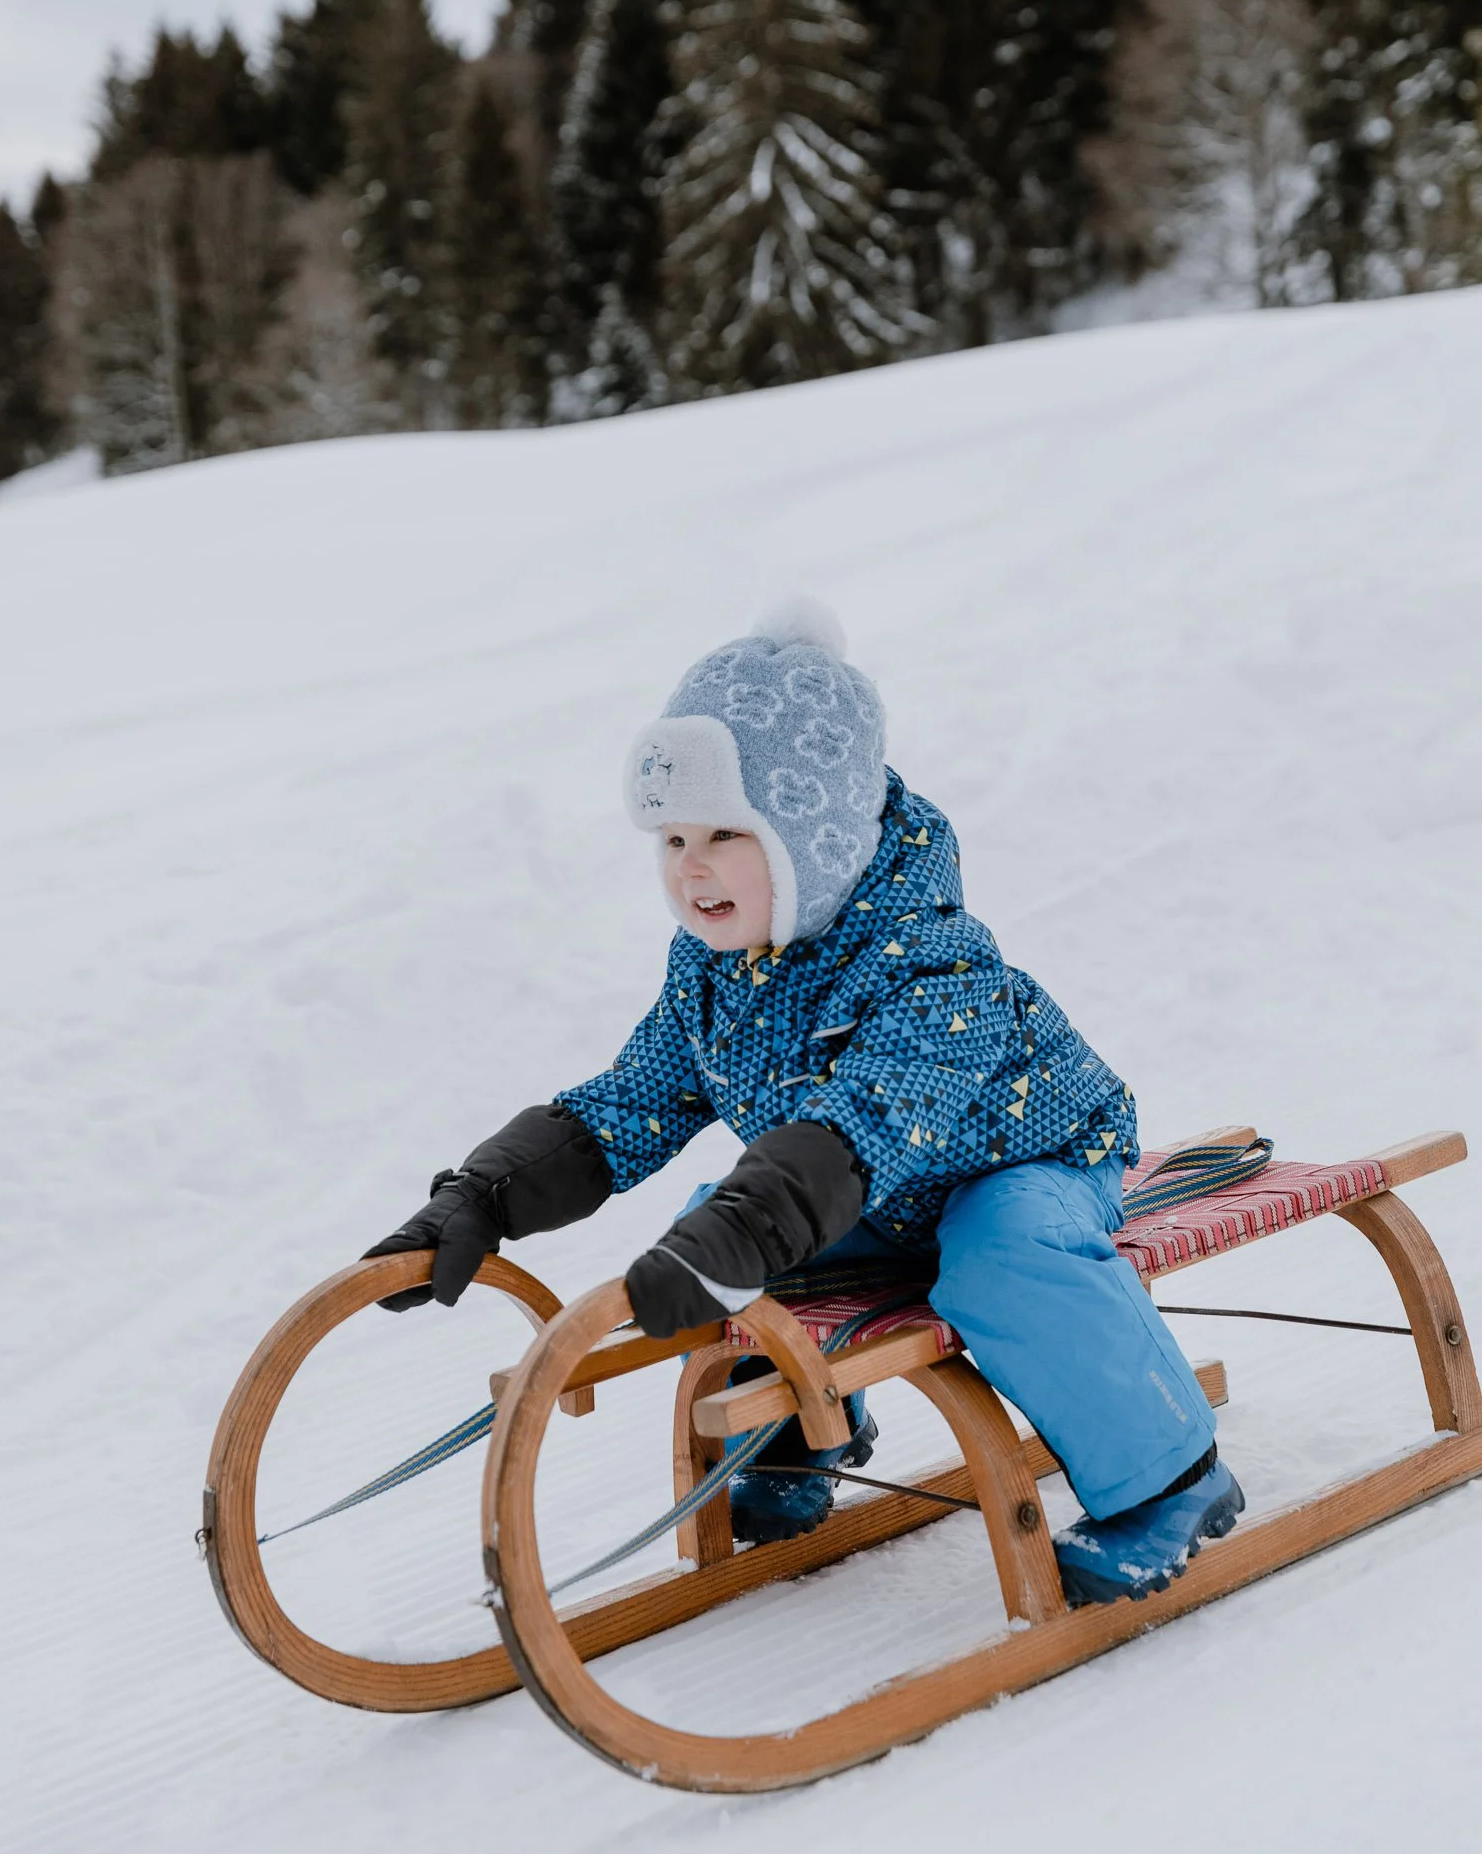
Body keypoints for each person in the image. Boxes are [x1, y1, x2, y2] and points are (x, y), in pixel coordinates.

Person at [367, 602, 1243, 1604]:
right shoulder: (716, 970)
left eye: (725, 833)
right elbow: (628, 1105)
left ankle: (1171, 1478)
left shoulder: (931, 961)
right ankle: (792, 1435)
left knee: (1003, 1259)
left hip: (1021, 1163)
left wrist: (750, 1226)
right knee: (718, 1231)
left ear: (814, 833)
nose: (688, 866)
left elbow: (864, 1122)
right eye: (671, 837)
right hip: (864, 1191)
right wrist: (481, 1197)